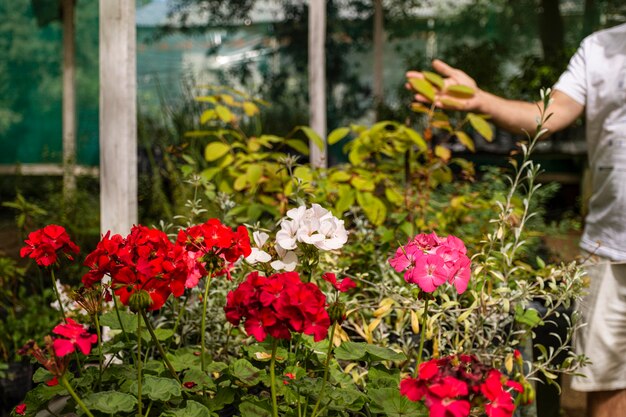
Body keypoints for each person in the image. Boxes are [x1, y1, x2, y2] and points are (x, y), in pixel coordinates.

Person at [406, 22, 626, 417]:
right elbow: (546, 115)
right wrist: (480, 102)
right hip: (610, 246)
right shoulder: (599, 47)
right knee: (608, 386)